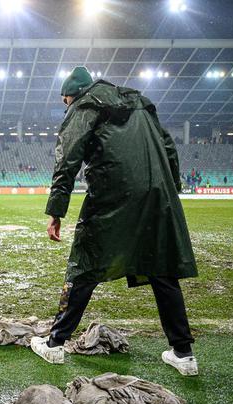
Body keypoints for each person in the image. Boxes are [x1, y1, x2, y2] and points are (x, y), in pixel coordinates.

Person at [30, 67, 199, 376]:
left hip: (113, 194)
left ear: (73, 94)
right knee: (162, 269)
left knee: (84, 265)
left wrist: (56, 210)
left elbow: (67, 159)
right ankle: (184, 354)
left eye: (65, 101)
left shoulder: (84, 105)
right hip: (157, 194)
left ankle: (55, 343)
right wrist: (171, 188)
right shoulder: (140, 102)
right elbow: (169, 147)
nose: (66, 107)